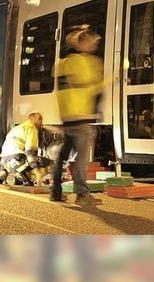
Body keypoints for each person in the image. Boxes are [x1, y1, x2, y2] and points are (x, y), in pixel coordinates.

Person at [50, 26, 104, 206]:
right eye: (91, 42)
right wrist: (115, 78)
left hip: (67, 116)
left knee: (62, 156)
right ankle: (82, 194)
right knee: (81, 159)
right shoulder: (86, 62)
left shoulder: (61, 63)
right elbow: (91, 86)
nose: (94, 45)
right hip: (81, 115)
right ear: (80, 43)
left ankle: (55, 192)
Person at [0, 111, 43, 186]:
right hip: (16, 160)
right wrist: (37, 172)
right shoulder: (31, 129)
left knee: (17, 158)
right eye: (40, 119)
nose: (41, 122)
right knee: (38, 160)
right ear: (32, 119)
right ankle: (22, 176)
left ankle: (3, 173)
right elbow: (30, 152)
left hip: (3, 160)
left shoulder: (17, 127)